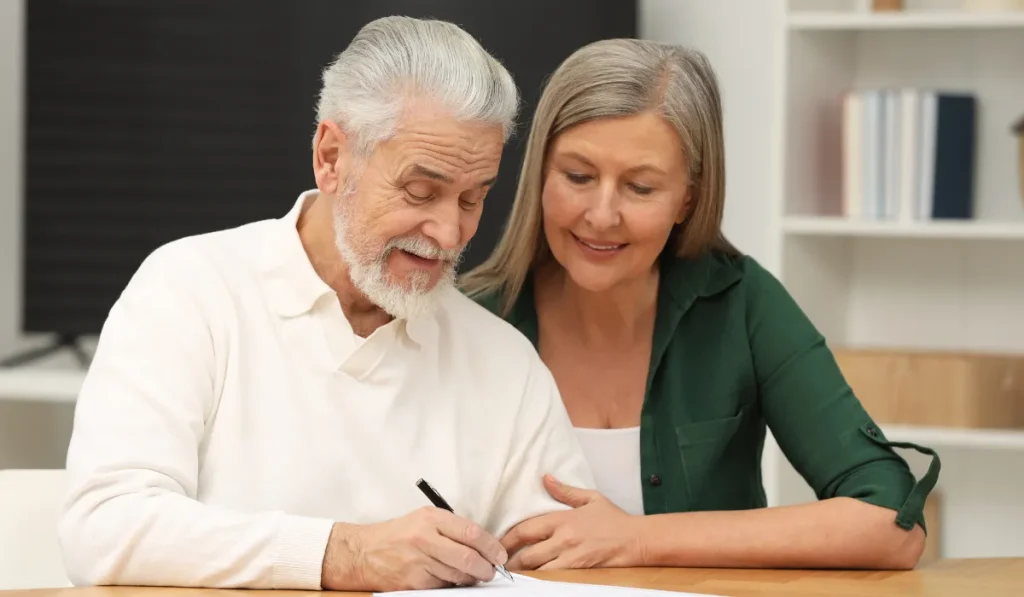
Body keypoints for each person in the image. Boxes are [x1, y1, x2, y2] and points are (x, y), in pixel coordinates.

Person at [58, 16, 594, 592]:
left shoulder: (503, 362)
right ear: (332, 157)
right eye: (421, 191)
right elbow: (104, 529)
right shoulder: (190, 290)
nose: (448, 232)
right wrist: (345, 554)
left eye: (473, 198)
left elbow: (559, 567)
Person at [460, 39, 940, 571]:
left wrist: (637, 540)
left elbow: (891, 522)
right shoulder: (465, 321)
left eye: (640, 187)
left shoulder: (743, 304)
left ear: (688, 197)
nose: (601, 215)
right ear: (540, 173)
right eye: (577, 176)